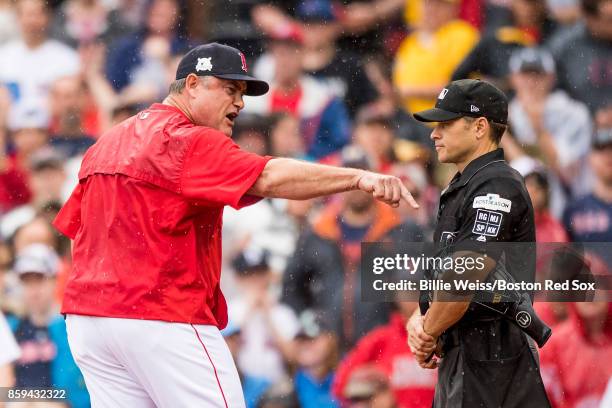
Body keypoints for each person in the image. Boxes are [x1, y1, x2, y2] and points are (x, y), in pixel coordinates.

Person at [52, 42, 418, 408]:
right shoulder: (187, 138)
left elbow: (75, 234)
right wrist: (356, 178)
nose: (240, 103)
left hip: (90, 321)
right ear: (192, 84)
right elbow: (269, 176)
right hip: (160, 314)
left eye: (242, 93)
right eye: (230, 89)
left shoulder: (107, 142)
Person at [406, 79, 551, 407]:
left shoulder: (496, 185)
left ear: (480, 127)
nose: (434, 133)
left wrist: (428, 332)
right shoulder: (466, 184)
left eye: (445, 123)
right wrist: (420, 318)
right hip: (467, 359)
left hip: (494, 360)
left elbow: (465, 275)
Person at [282, 145, 402, 350]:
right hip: (328, 350)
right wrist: (311, 323)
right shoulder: (317, 232)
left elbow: (417, 288)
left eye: (362, 175)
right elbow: (291, 287)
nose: (357, 186)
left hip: (382, 347)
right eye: (350, 177)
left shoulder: (397, 229)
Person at [6, 243, 89, 408]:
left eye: (39, 280)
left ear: (54, 280)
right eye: (27, 282)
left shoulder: (73, 327)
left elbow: (82, 390)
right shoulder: (10, 328)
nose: (34, 290)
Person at [332, 301, 436, 407]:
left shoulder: (445, 339)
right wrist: (374, 378)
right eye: (410, 290)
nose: (417, 296)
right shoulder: (380, 339)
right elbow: (340, 385)